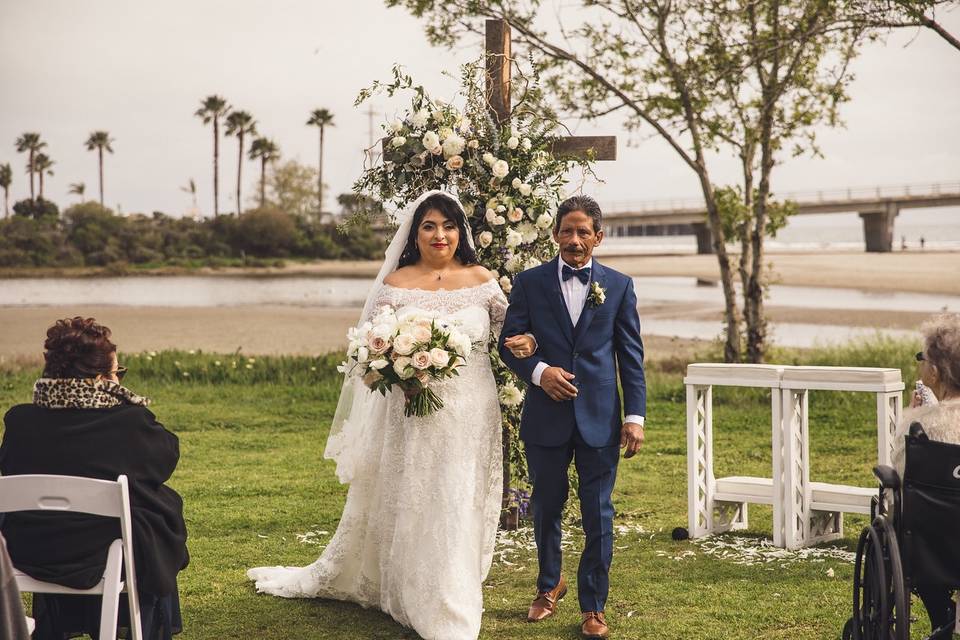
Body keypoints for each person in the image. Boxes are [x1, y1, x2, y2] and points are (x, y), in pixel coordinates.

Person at [248, 191, 508, 640]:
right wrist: (398, 372)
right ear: (415, 233)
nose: (439, 235)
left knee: (459, 494)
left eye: (447, 226)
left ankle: (452, 582)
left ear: (460, 231)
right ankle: (425, 594)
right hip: (411, 411)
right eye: (429, 226)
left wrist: (526, 345)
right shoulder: (398, 283)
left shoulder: (483, 279)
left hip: (472, 410)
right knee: (420, 493)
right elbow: (370, 354)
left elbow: (510, 336)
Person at [498, 195, 646, 640]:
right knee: (545, 507)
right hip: (546, 417)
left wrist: (635, 416)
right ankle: (548, 586)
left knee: (598, 513)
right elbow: (510, 341)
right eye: (568, 231)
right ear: (555, 234)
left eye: (584, 232)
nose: (575, 240)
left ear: (598, 237)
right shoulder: (529, 283)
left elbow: (631, 358)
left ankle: (593, 606)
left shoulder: (619, 286)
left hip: (600, 419)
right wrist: (540, 373)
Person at [0, 317, 188, 640]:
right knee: (154, 507)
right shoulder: (128, 423)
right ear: (102, 379)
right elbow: (166, 457)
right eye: (117, 373)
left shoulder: (19, 423)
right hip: (102, 553)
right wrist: (126, 401)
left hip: (31, 550)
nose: (120, 380)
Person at [893, 313, 960, 633]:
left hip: (931, 546)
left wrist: (914, 412)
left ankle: (942, 615)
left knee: (913, 530)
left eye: (922, 359)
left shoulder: (920, 425)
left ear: (934, 371)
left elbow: (901, 472)